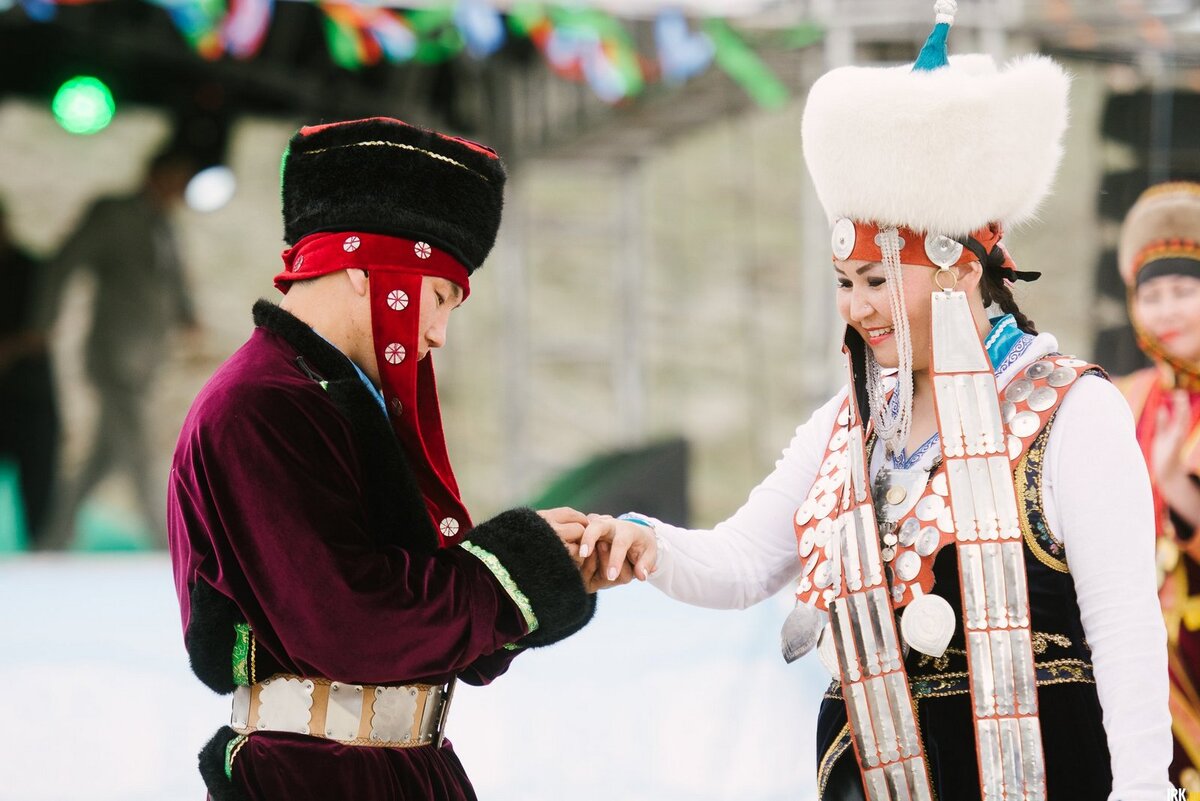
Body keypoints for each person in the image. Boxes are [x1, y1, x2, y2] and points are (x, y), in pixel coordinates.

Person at [569, 4, 1172, 800]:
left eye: (879, 280)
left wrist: (1144, 790)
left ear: (961, 270)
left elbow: (1124, 623)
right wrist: (641, 544)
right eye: (846, 285)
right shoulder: (847, 427)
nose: (858, 308)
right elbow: (744, 562)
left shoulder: (1069, 412)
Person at [166, 117, 597, 801]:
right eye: (439, 296)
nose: (438, 333)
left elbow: (417, 630)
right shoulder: (258, 406)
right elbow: (351, 622)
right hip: (316, 778)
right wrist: (512, 576)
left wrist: (554, 567)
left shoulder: (327, 399)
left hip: (383, 772)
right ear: (373, 273)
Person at [33, 148, 201, 549]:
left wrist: (188, 318)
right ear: (157, 174)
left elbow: (172, 281)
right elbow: (65, 262)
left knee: (104, 457)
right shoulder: (114, 214)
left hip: (147, 357)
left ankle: (52, 538)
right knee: (139, 449)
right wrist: (43, 323)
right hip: (113, 353)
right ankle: (169, 544)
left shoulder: (164, 225)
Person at [1116, 181, 1200, 793]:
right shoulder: (1121, 398)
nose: (1166, 311)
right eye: (1153, 295)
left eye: (1183, 291)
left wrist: (1174, 479)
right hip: (1132, 646)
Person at [0, 197, 59, 545]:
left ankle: (43, 555)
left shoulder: (33, 270)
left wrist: (9, 350)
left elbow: (42, 331)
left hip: (30, 396)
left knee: (39, 489)